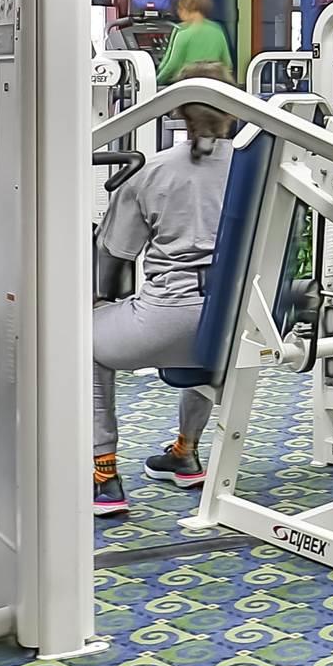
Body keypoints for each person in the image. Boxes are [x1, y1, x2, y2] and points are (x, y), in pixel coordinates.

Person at [90, 61, 236, 516]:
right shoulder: (263, 169)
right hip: (236, 326)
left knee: (83, 342)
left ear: (178, 112)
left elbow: (113, 259)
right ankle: (185, 450)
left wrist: (98, 301)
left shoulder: (151, 172)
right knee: (205, 338)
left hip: (166, 321)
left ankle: (104, 473)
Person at [155, 0, 231, 85]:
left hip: (188, 85)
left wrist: (156, 82)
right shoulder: (217, 30)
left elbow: (172, 66)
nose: (178, 12)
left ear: (188, 10)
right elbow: (227, 63)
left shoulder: (184, 33)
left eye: (180, 9)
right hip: (215, 84)